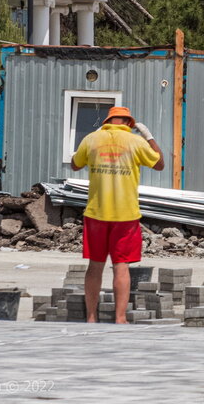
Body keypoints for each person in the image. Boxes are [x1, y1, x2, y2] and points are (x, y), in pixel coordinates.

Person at [70, 106, 164, 324]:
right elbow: (159, 164)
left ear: (108, 121)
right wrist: (148, 137)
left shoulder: (92, 139)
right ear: (129, 123)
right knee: (121, 267)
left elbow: (75, 165)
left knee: (95, 266)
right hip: (126, 215)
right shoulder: (135, 142)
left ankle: (91, 318)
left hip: (96, 213)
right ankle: (120, 318)